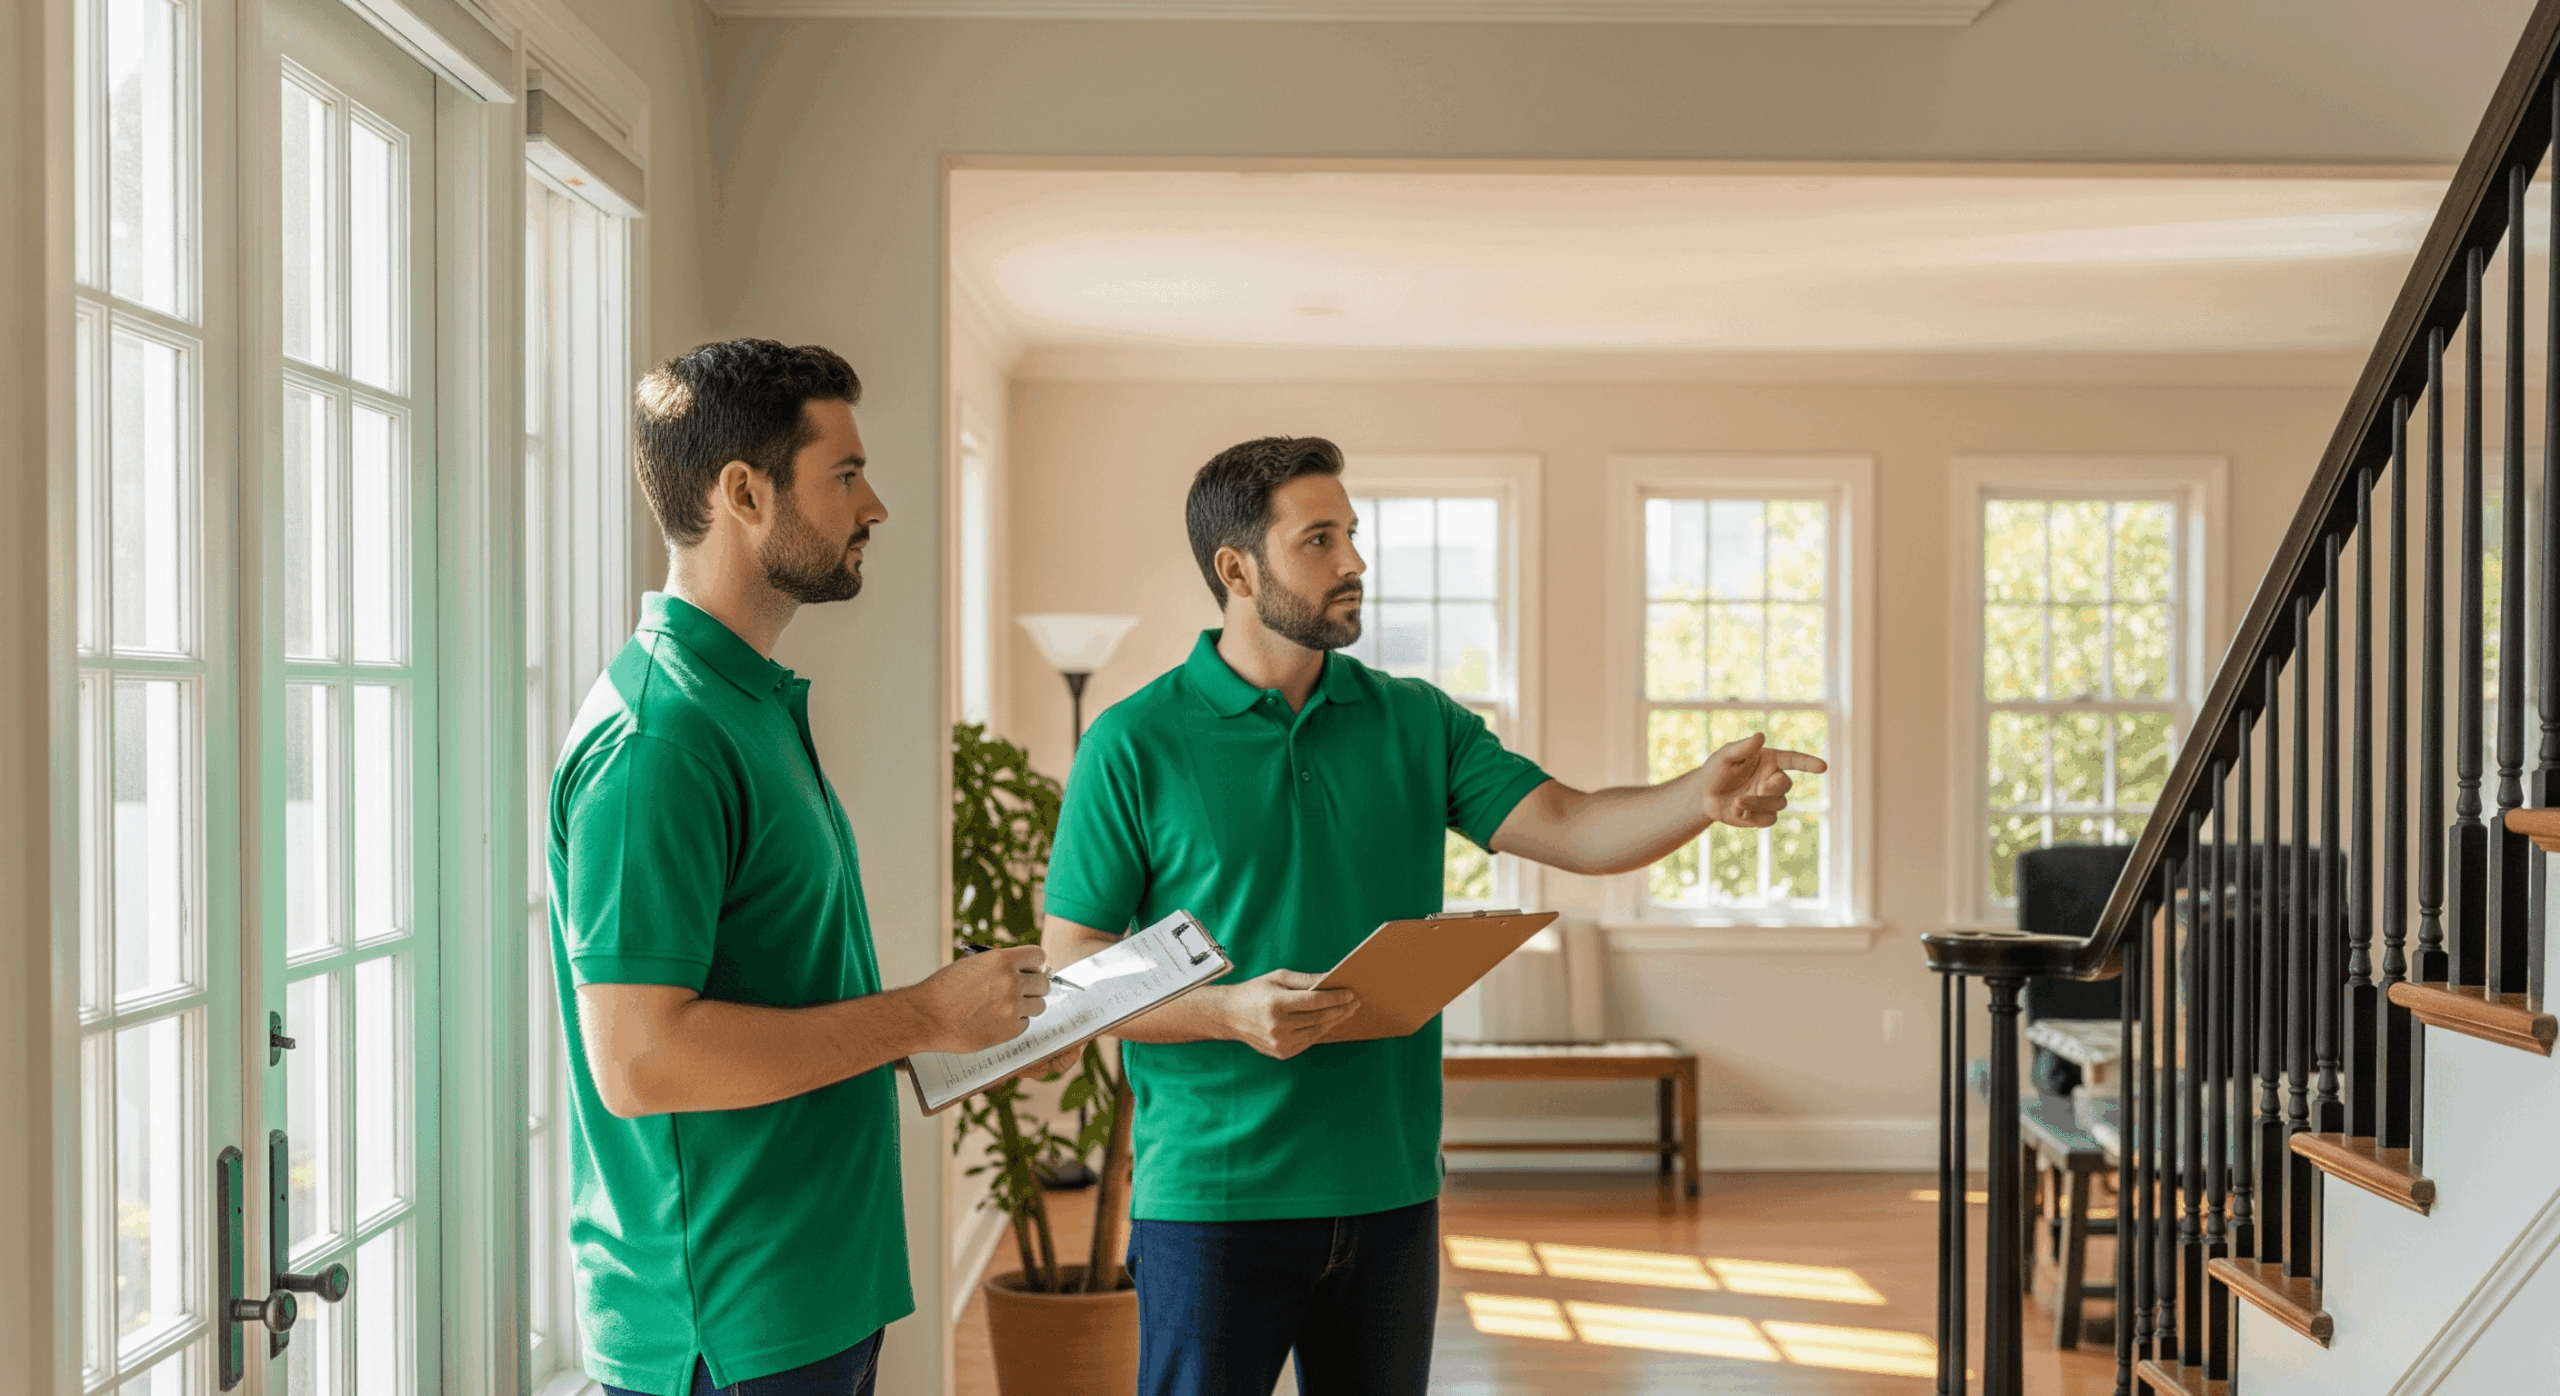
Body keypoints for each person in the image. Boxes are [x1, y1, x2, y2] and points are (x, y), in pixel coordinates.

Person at [1041, 435, 1824, 1396]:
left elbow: (1574, 826)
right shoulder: (1131, 743)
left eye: (1352, 533)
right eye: (1319, 540)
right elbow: (1072, 972)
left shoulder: (1417, 720)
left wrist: (1695, 798)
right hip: (1213, 1197)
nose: (1355, 561)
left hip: (1392, 1189)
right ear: (1236, 571)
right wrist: (1226, 1011)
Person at [553, 339, 1066, 1396]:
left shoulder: (747, 706)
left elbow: (781, 1001)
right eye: (845, 474)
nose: (874, 505)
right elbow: (641, 1060)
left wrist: (954, 1035)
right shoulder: (659, 741)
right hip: (727, 1328)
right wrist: (919, 1015)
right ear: (744, 493)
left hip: (814, 1297)